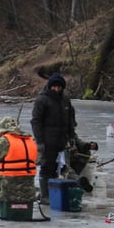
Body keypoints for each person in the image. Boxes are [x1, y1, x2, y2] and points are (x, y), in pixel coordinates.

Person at [30, 67, 77, 204]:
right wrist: (40, 141)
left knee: (58, 168)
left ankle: (53, 193)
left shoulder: (65, 100)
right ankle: (45, 196)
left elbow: (70, 120)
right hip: (47, 140)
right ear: (50, 86)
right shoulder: (42, 100)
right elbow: (36, 122)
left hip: (61, 140)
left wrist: (71, 137)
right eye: (54, 87)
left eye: (59, 87)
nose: (56, 89)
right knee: (46, 167)